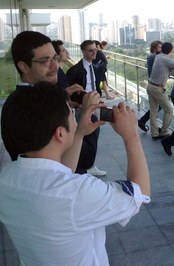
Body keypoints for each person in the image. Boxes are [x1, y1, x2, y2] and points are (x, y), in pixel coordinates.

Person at [0, 82, 151, 265]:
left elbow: (60, 175)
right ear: (60, 134)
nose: (74, 117)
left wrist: (79, 132)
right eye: (71, 114)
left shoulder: (7, 178)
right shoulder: (77, 193)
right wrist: (131, 136)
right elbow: (140, 194)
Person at [1, 31, 87, 171]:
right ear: (24, 66)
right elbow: (80, 161)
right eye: (45, 61)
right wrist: (84, 124)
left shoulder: (16, 101)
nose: (55, 66)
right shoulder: (29, 107)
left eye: (54, 58)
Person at [66, 40, 107, 176]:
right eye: (91, 50)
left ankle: (89, 164)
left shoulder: (95, 67)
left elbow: (97, 83)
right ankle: (87, 165)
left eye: (95, 50)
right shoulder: (75, 70)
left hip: (94, 104)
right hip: (82, 107)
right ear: (83, 51)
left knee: (92, 135)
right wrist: (76, 104)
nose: (94, 52)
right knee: (87, 136)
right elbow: (67, 90)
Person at [147, 42, 174, 140]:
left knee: (153, 111)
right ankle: (164, 131)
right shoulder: (166, 59)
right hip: (157, 88)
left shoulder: (158, 57)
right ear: (171, 50)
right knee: (169, 110)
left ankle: (154, 133)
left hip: (150, 86)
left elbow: (166, 68)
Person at [138, 40, 163, 132]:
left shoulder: (151, 57)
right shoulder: (154, 57)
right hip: (155, 85)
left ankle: (145, 122)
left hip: (152, 84)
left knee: (155, 107)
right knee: (159, 106)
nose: (162, 49)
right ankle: (154, 128)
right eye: (160, 47)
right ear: (154, 48)